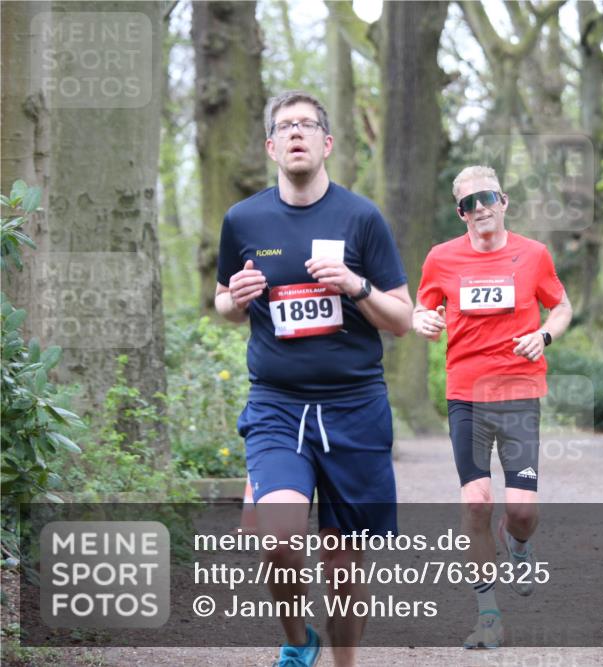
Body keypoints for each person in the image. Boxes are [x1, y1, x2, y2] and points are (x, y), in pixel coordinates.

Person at [215, 90, 411, 667]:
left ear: (326, 143)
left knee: (343, 567)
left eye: (307, 125)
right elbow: (224, 299)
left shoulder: (361, 218)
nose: (295, 132)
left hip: (355, 407)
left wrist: (356, 286)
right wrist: (235, 301)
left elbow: (402, 319)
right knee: (276, 538)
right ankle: (299, 640)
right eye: (284, 125)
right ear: (272, 146)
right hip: (278, 404)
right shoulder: (244, 219)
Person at [412, 165, 573, 648]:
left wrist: (543, 335)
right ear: (460, 212)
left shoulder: (534, 255)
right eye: (468, 203)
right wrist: (423, 320)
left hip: (520, 392)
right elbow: (423, 307)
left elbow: (562, 306)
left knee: (521, 510)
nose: (479, 208)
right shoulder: (441, 259)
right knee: (476, 501)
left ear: (502, 201)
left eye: (486, 198)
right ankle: (488, 615)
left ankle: (518, 543)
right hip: (466, 394)